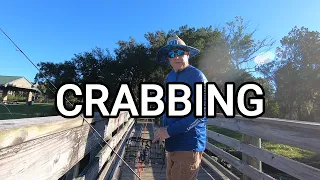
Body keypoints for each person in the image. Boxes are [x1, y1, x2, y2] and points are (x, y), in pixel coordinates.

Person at [152, 35, 208, 180]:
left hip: (188, 145)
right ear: (168, 58)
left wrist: (169, 131)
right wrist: (161, 132)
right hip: (172, 144)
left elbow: (200, 115)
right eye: (171, 54)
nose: (176, 57)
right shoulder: (169, 77)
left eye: (180, 52)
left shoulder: (197, 77)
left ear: (187, 54)